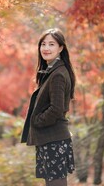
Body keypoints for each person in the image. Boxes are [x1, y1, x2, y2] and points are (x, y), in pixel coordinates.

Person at [21, 28, 76, 186]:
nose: (46, 48)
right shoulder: (51, 71)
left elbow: (56, 108)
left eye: (51, 44)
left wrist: (37, 121)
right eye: (43, 44)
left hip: (54, 139)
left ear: (61, 48)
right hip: (50, 139)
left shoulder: (58, 74)